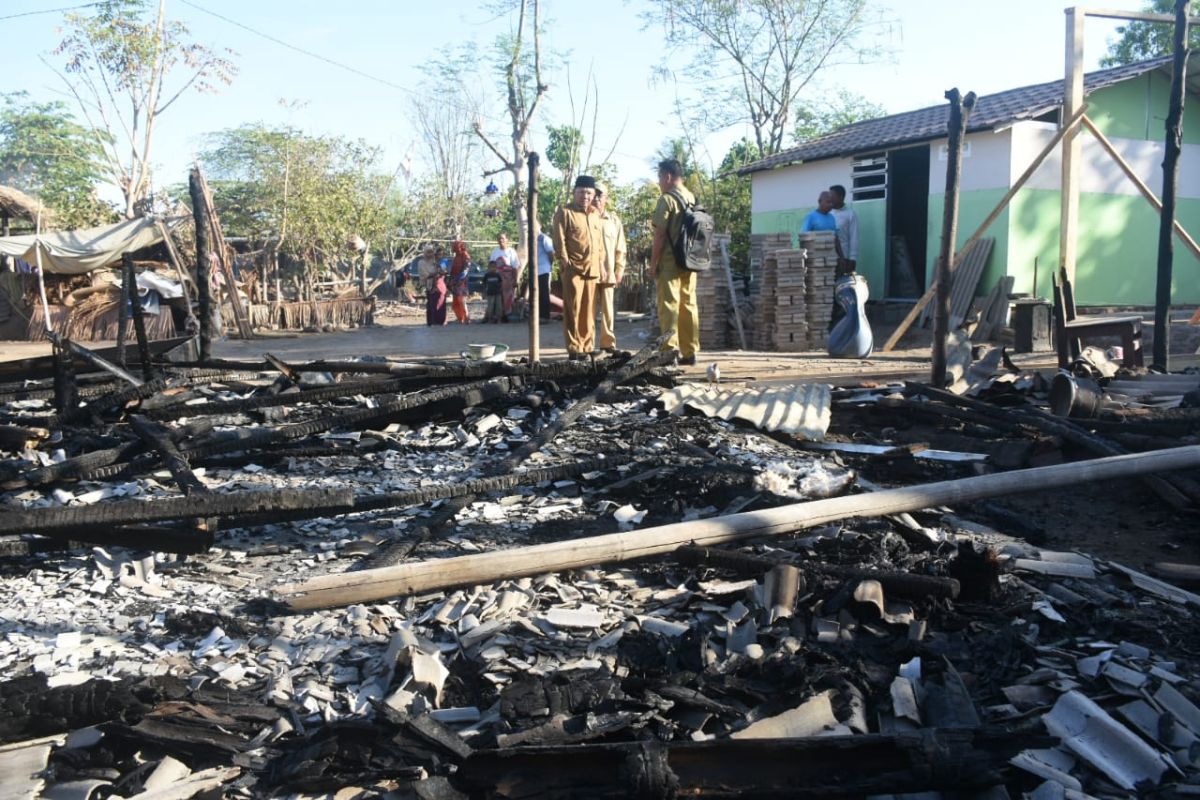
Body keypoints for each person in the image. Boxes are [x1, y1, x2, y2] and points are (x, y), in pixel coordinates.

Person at [650, 159, 699, 365]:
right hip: (689, 261)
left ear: (668, 176)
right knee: (688, 304)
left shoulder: (667, 199)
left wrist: (653, 264)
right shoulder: (691, 197)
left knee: (669, 305)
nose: (659, 181)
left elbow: (660, 236)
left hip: (670, 261)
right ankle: (690, 352)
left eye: (660, 177)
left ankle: (669, 353)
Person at [552, 175, 604, 360]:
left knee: (589, 311)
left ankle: (588, 347)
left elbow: (599, 244)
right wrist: (564, 261)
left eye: (589, 193)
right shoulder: (564, 212)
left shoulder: (596, 214)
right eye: (581, 192)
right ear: (575, 192)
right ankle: (575, 349)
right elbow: (559, 239)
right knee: (572, 310)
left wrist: (602, 266)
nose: (585, 196)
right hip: (573, 269)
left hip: (593, 270)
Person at [593, 182, 627, 353]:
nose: (597, 198)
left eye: (601, 195)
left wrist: (619, 269)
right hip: (589, 274)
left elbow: (621, 247)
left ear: (606, 198)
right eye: (595, 194)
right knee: (588, 312)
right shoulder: (585, 217)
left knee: (608, 311)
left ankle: (608, 345)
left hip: (608, 274)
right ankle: (586, 346)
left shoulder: (614, 221)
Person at [489, 233, 521, 321]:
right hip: (496, 279)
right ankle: (497, 315)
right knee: (497, 297)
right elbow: (491, 265)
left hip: (508, 279)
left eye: (502, 238)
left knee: (508, 297)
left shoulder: (511, 251)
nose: (501, 240)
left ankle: (507, 315)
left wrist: (516, 279)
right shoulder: (495, 251)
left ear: (507, 240)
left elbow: (515, 267)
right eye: (499, 239)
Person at [829, 184, 859, 275]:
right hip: (827, 257)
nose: (830, 199)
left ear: (841, 197)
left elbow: (854, 237)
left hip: (843, 259)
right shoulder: (827, 214)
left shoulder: (850, 214)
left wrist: (853, 258)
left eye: (832, 197)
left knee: (841, 285)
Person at [417, 244, 447, 326]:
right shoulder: (421, 263)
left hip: (440, 286)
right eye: (428, 252)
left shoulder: (437, 261)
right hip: (430, 286)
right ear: (425, 253)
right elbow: (425, 275)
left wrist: (441, 272)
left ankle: (441, 321)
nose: (430, 254)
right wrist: (435, 274)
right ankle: (432, 321)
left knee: (441, 303)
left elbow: (444, 271)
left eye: (431, 252)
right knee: (432, 305)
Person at [449, 240, 471, 324]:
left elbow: (465, 271)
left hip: (461, 283)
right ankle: (460, 318)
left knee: (461, 300)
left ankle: (466, 317)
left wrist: (456, 280)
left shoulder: (465, 256)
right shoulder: (456, 257)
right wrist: (451, 281)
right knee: (455, 302)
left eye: (455, 246)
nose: (453, 248)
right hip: (455, 283)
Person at [535, 229, 554, 322]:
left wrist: (550, 265)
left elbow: (551, 253)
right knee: (536, 294)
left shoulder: (544, 238)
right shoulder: (532, 239)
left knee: (544, 293)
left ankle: (545, 316)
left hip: (544, 269)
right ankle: (537, 315)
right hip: (535, 271)